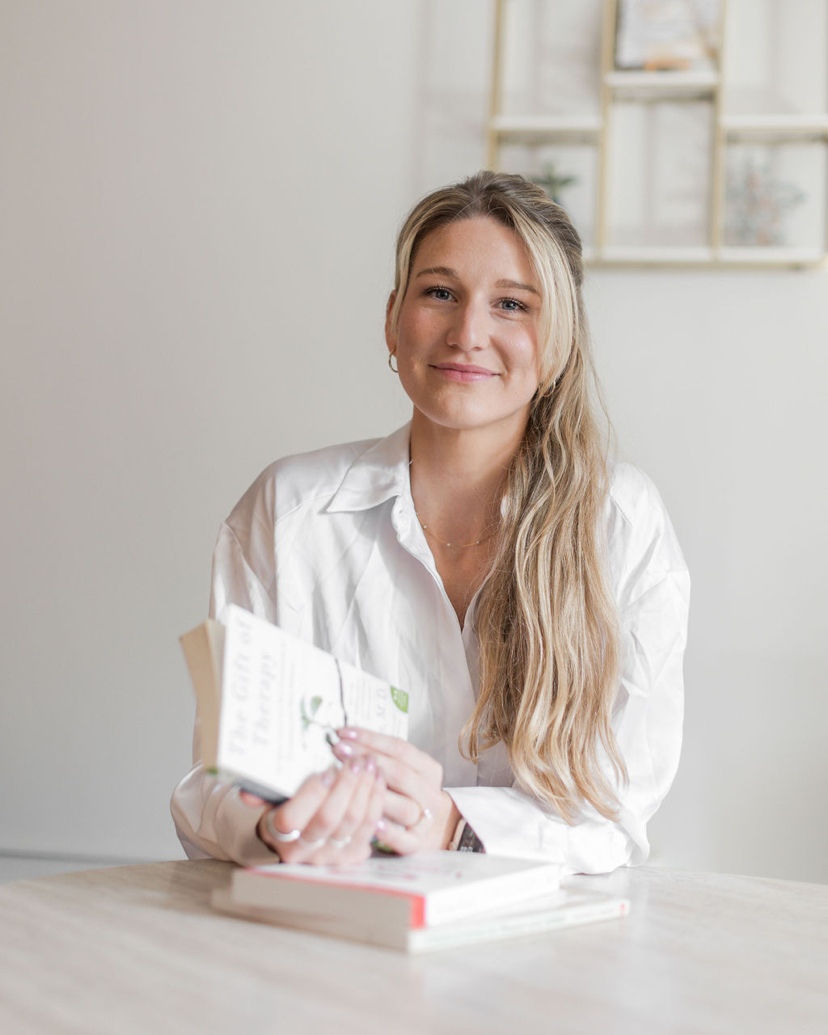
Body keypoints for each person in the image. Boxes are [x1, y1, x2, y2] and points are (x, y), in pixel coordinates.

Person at [171, 171, 689, 876]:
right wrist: (271, 827)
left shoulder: (619, 523)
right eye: (440, 293)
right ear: (393, 318)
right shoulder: (288, 513)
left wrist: (448, 823)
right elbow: (214, 780)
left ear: (559, 340)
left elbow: (617, 812)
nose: (468, 333)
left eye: (511, 304)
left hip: (548, 954)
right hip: (333, 932)